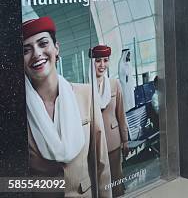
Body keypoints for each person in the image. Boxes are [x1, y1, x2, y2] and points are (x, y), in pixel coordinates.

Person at [22, 17, 111, 197]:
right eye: (26, 50)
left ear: (57, 48)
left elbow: (102, 165)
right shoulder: (17, 112)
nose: (37, 53)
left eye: (43, 43)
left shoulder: (86, 95)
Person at [91, 45, 129, 197]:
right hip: (96, 144)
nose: (102, 65)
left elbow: (121, 114)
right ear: (92, 62)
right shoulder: (87, 87)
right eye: (98, 60)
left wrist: (125, 140)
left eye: (105, 60)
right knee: (101, 182)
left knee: (116, 178)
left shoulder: (115, 84)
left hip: (114, 141)